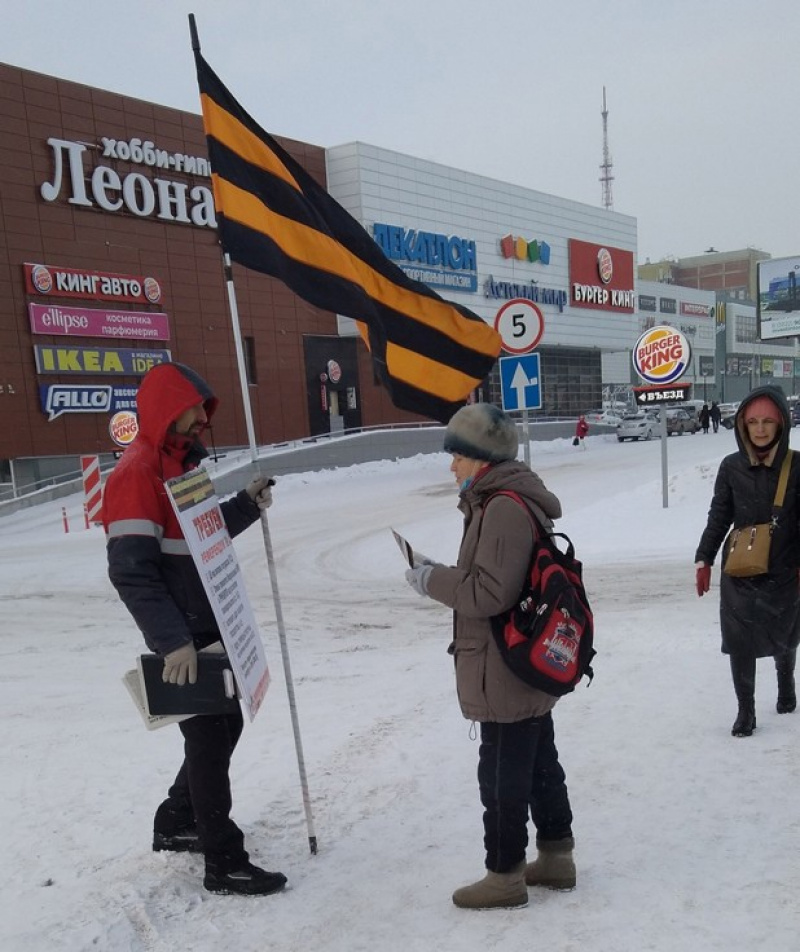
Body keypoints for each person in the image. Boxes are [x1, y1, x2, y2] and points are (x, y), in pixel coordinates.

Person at [103, 361, 287, 896]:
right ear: (165, 412)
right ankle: (223, 860)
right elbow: (130, 571)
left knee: (224, 727)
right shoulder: (136, 474)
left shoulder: (183, 465)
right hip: (183, 631)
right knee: (208, 737)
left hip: (211, 619)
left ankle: (177, 819)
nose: (198, 422)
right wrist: (171, 641)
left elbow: (204, 536)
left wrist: (245, 507)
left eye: (201, 414)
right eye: (189, 413)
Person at [404, 403, 575, 909]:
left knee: (501, 774)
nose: (451, 465)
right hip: (520, 660)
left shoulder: (501, 506)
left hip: (505, 662)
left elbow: (490, 594)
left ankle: (504, 875)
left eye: (457, 455)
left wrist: (430, 579)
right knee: (540, 762)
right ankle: (557, 855)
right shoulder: (500, 500)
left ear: (481, 457)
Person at [695, 386, 799, 737]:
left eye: (768, 421)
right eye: (752, 421)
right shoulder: (731, 467)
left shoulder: (796, 465)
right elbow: (718, 516)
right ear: (742, 424)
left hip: (785, 568)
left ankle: (786, 686)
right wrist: (704, 557)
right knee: (740, 640)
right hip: (739, 568)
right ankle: (746, 711)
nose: (759, 429)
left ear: (781, 423)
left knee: (784, 633)